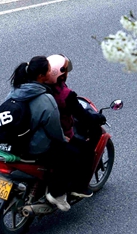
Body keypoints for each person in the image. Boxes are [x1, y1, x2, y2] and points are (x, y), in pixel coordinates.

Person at [5, 56, 85, 212]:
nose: (51, 72)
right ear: (41, 76)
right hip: (34, 146)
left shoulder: (16, 91)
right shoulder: (46, 99)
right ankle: (57, 193)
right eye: (49, 70)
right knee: (73, 153)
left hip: (14, 141)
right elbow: (54, 130)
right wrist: (64, 139)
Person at [45, 54, 107, 198]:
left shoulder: (41, 87)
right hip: (60, 134)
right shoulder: (65, 95)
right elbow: (83, 116)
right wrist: (98, 118)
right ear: (60, 74)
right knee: (86, 151)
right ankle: (79, 187)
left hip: (40, 131)